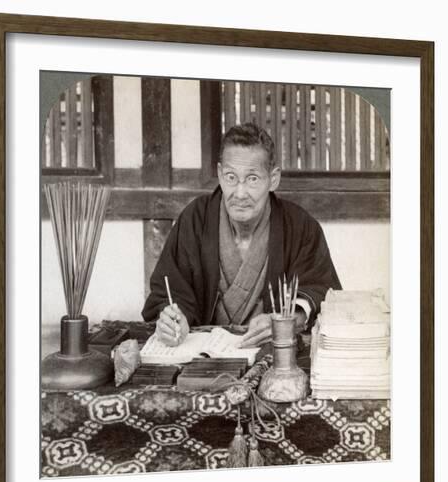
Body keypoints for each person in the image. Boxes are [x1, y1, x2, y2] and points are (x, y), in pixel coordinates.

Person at [142, 122, 341, 347]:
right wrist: (174, 321)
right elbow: (168, 290)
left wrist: (288, 321)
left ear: (273, 179)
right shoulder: (196, 219)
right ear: (219, 174)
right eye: (231, 177)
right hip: (205, 359)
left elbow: (322, 292)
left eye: (252, 179)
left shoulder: (299, 226)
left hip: (273, 357)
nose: (240, 192)